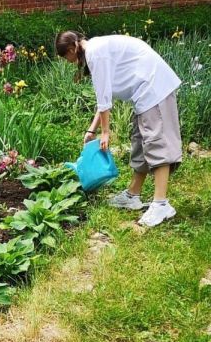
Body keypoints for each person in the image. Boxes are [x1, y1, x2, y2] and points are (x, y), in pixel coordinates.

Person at [55, 30, 182, 227]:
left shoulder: (95, 53)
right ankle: (133, 195)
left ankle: (161, 203)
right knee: (140, 142)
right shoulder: (96, 50)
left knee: (157, 144)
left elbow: (104, 98)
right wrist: (92, 130)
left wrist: (105, 131)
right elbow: (105, 96)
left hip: (154, 88)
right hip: (144, 93)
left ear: (72, 48)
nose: (68, 61)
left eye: (66, 57)